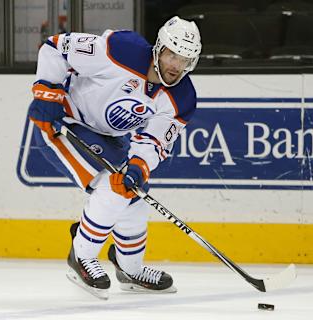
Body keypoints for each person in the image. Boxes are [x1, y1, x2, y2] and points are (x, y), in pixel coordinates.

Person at [27, 16, 202, 299]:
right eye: (172, 54)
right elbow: (56, 47)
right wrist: (47, 93)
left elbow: (155, 140)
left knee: (134, 190)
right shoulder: (122, 50)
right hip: (64, 122)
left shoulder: (182, 98)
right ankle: (81, 256)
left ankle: (130, 268)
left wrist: (139, 164)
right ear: (159, 48)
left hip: (108, 138)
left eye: (184, 59)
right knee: (113, 186)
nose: (175, 65)